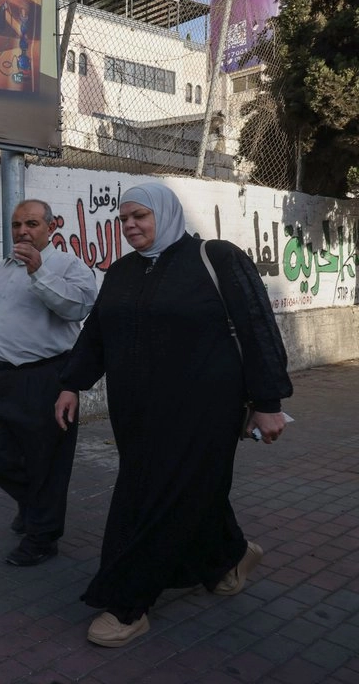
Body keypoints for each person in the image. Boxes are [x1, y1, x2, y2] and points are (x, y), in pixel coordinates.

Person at [54, 182, 292, 648]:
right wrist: (71, 383)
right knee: (192, 489)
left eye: (139, 216)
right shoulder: (122, 271)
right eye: (123, 219)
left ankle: (127, 602)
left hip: (204, 410)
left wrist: (268, 403)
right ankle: (228, 556)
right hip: (136, 414)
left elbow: (257, 327)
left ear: (164, 214)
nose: (130, 226)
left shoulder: (215, 258)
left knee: (151, 496)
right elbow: (97, 333)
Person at [0, 200, 98, 567]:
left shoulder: (69, 266)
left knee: (47, 462)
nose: (22, 231)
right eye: (17, 224)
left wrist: (39, 272)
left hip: (46, 378)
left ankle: (42, 537)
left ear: (51, 227)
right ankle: (35, 504)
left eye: (32, 223)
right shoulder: (2, 268)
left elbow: (77, 308)